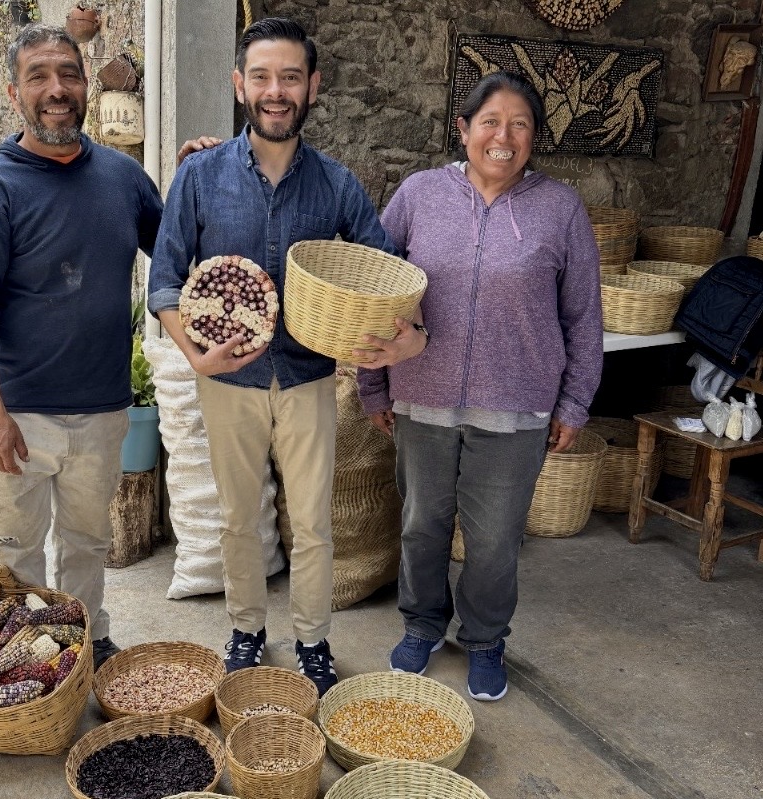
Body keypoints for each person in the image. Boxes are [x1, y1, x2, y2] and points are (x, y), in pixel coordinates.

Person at [148, 17, 396, 696]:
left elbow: (381, 264)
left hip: (310, 376)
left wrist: (391, 333)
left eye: (290, 76)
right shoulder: (199, 175)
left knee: (313, 522)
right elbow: (164, 278)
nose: (275, 91)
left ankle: (312, 638)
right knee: (237, 518)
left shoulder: (336, 184)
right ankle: (246, 629)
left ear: (313, 86)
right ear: (240, 85)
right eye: (261, 76)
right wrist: (194, 354)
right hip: (227, 378)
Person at [356, 71, 603, 701]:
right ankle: (422, 625)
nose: (503, 136)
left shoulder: (561, 209)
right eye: (490, 121)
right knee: (422, 525)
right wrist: (374, 385)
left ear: (534, 137)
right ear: (464, 129)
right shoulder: (419, 194)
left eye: (520, 124)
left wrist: (575, 400)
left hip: (516, 407)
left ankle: (486, 639)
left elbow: (583, 314)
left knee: (494, 540)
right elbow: (375, 290)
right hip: (422, 397)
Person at [0, 24, 169, 672]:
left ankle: (85, 640)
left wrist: (201, 175)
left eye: (68, 73)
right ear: (14, 92)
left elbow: (175, 248)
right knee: (16, 551)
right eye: (38, 76)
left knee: (87, 541)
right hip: (19, 413)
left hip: (101, 409)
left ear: (86, 83)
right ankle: (29, 661)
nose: (56, 89)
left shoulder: (123, 179)